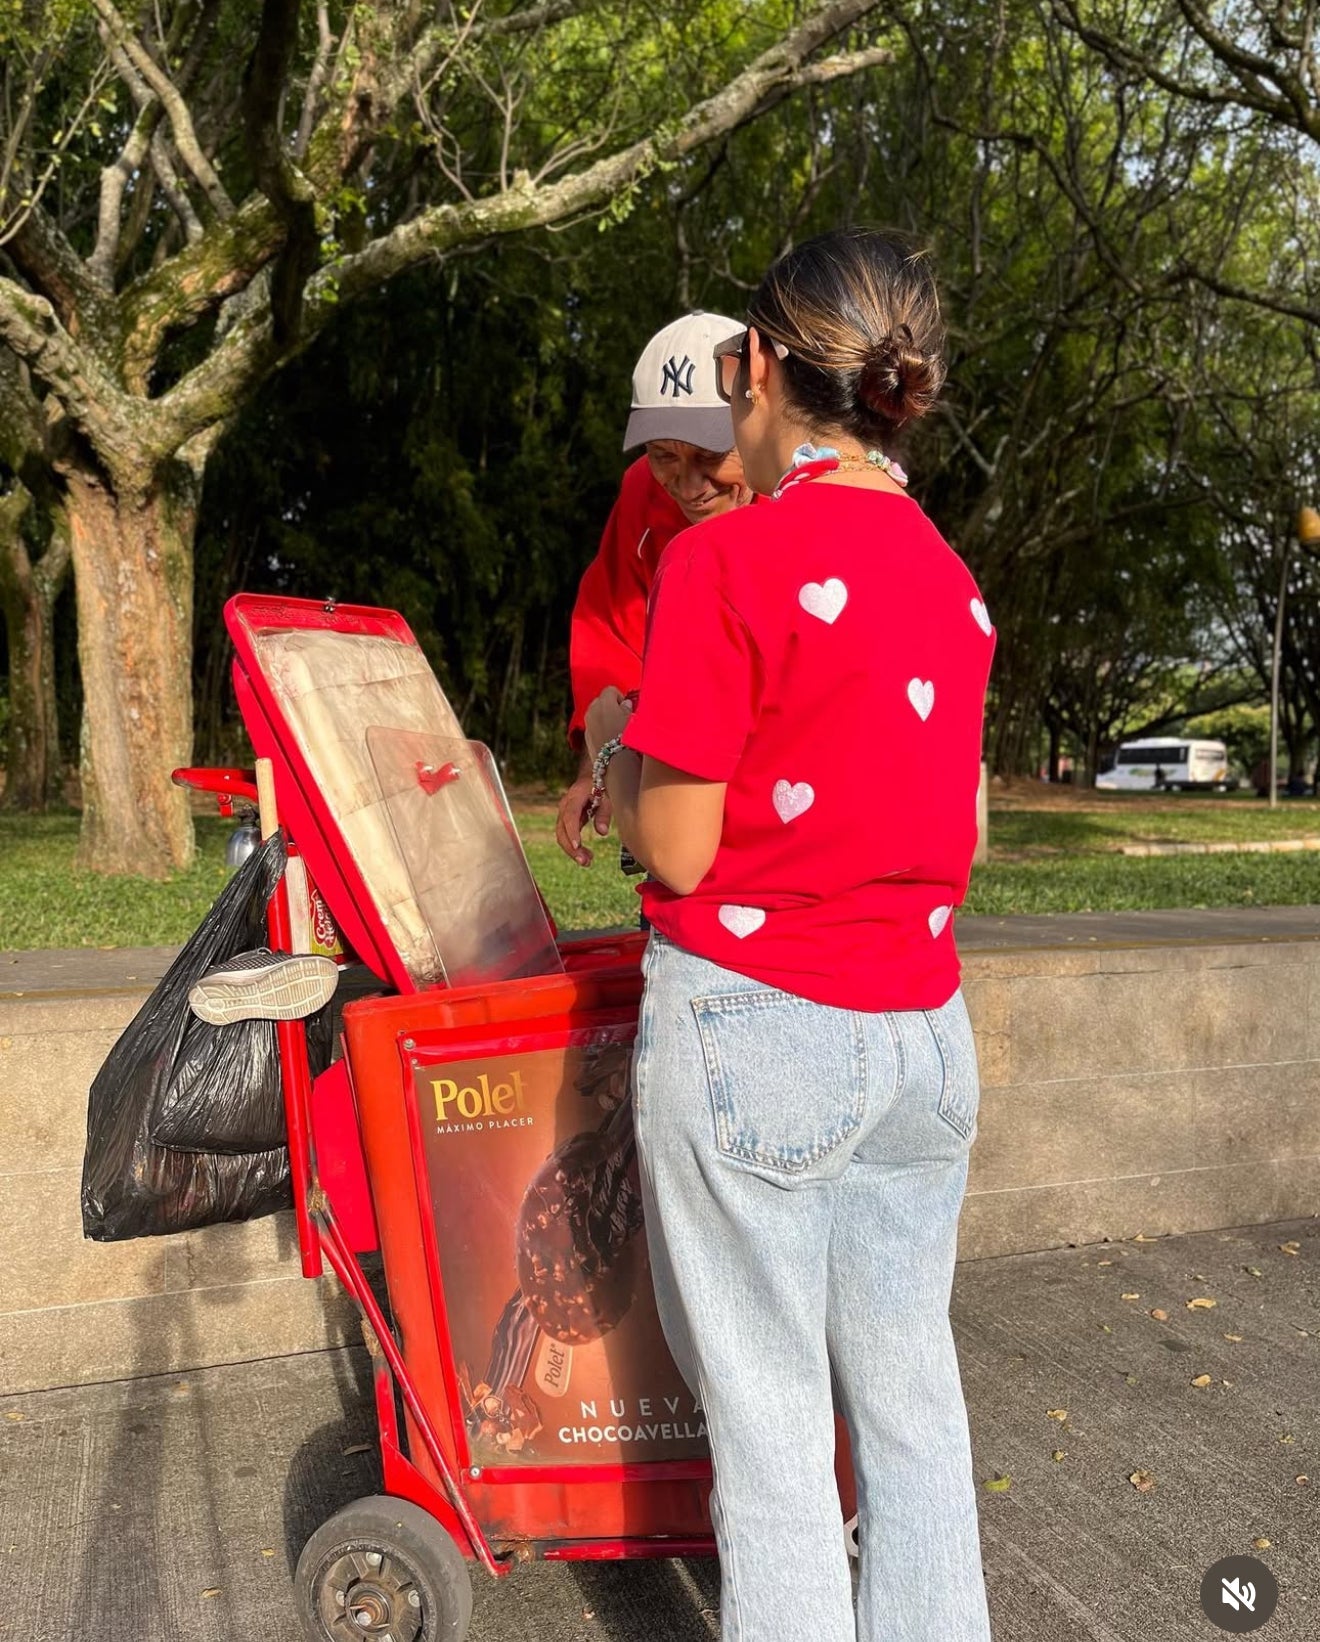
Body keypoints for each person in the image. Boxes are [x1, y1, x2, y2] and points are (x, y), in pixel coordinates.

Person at [583, 228, 996, 1640]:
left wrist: (617, 749)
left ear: (756, 366)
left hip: (759, 1026)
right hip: (923, 1041)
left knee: (769, 1438)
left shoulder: (724, 564)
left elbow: (680, 844)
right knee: (913, 1408)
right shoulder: (954, 580)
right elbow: (969, 834)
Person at [556, 312, 752, 866]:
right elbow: (610, 632)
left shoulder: (801, 496)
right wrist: (595, 771)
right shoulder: (641, 492)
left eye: (710, 456)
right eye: (664, 454)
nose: (688, 486)